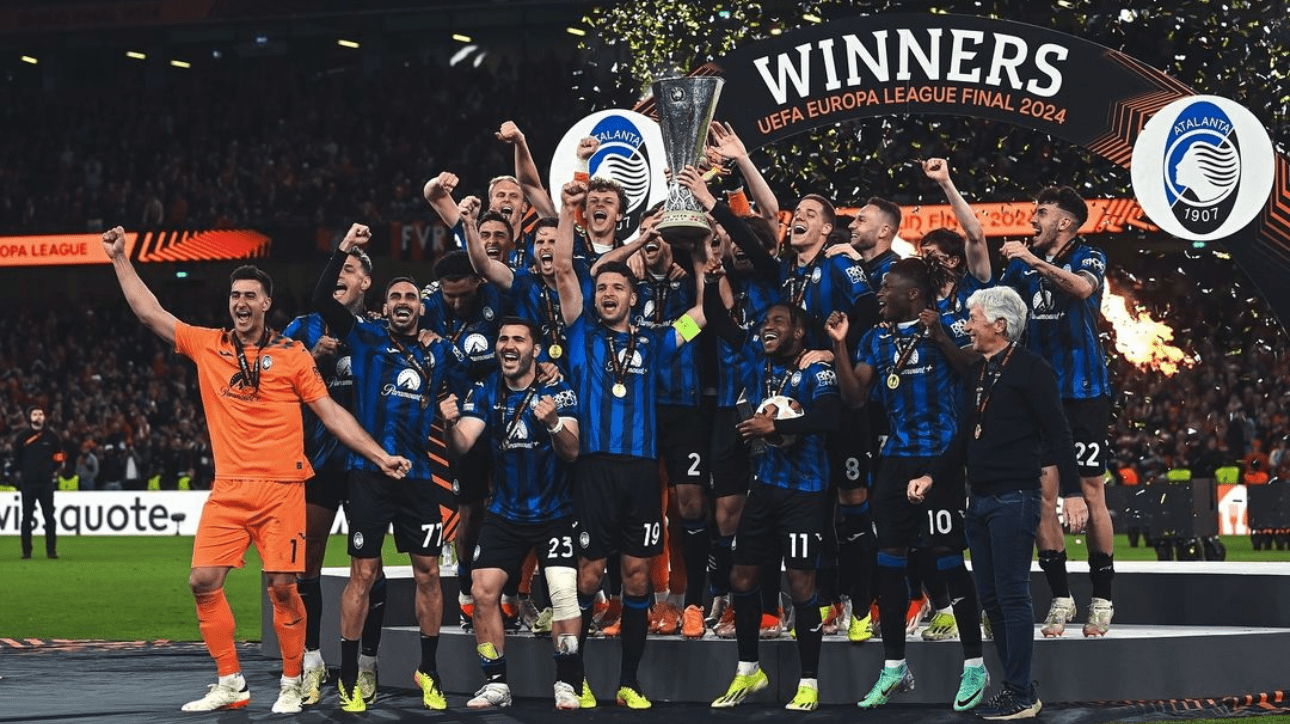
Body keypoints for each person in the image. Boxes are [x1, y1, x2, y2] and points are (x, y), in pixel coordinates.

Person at [100, 226, 412, 715]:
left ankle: (292, 681)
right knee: (202, 580)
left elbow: (331, 413)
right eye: (235, 295)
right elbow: (150, 313)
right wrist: (120, 258)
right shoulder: (208, 345)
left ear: (267, 304)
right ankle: (230, 681)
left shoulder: (292, 355)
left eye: (250, 296)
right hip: (228, 489)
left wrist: (378, 455)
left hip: (282, 488)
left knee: (284, 588)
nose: (241, 303)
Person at [552, 179, 708, 709]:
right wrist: (572, 211)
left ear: (632, 297)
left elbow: (701, 316)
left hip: (641, 470)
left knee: (638, 577)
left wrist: (705, 265)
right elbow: (563, 268)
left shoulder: (656, 339)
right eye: (602, 288)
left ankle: (628, 682)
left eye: (617, 288)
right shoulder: (582, 335)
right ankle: (572, 678)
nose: (607, 294)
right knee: (590, 574)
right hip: (594, 468)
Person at [908, 286, 1088, 720]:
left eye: (973, 318)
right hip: (980, 498)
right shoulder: (978, 371)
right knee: (991, 598)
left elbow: (1059, 432)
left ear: (1000, 325)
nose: (967, 325)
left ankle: (1020, 692)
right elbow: (964, 435)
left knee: (1011, 595)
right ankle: (1017, 689)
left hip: (1015, 496)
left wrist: (1073, 492)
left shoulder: (1032, 370)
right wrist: (933, 475)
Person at [310, 224, 469, 712]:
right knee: (362, 572)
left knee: (427, 572)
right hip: (368, 474)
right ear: (385, 305)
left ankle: (429, 669)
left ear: (420, 307)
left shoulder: (439, 349)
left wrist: (459, 405)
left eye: (410, 297)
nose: (403, 302)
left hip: (419, 478)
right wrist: (343, 248)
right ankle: (349, 674)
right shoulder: (365, 337)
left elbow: (482, 374)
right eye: (395, 296)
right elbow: (321, 300)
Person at [828, 259, 985, 712]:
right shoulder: (876, 338)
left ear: (912, 293)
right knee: (889, 562)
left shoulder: (949, 324)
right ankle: (894, 667)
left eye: (886, 287)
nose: (879, 294)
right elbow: (855, 397)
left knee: (949, 559)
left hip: (941, 460)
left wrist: (939, 337)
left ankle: (974, 665)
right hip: (896, 461)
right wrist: (839, 346)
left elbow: (973, 370)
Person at [703, 277, 839, 712]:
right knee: (742, 578)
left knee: (801, 585)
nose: (767, 327)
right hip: (763, 488)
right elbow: (719, 322)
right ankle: (748, 669)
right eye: (764, 322)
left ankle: (809, 682)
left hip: (805, 493)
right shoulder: (757, 361)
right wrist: (711, 277)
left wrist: (774, 426)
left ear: (798, 332)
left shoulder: (817, 370)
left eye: (778, 321)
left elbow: (830, 417)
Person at [440, 318, 585, 709]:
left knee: (563, 592)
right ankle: (496, 684)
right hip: (506, 512)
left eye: (518, 339)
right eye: (503, 338)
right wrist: (450, 425)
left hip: (554, 511)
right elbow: (462, 444)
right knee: (482, 590)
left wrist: (553, 423)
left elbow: (572, 451)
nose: (508, 345)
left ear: (535, 350)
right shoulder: (485, 389)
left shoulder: (558, 390)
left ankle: (567, 682)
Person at [997, 186, 1116, 637]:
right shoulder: (1019, 266)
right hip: (1038, 396)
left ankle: (1102, 598)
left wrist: (1032, 261)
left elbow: (1082, 288)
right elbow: (995, 303)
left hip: (1084, 393)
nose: (1034, 218)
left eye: (1042, 212)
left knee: (1090, 492)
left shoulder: (1089, 255)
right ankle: (1061, 597)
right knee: (1042, 496)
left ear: (1065, 222)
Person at [283, 242, 387, 706]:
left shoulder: (377, 330)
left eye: (349, 269)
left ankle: (367, 664)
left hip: (364, 463)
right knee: (307, 563)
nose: (341, 276)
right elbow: (273, 384)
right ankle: (312, 661)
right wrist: (311, 357)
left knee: (369, 567)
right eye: (336, 269)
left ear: (366, 281)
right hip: (318, 461)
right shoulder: (301, 328)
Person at [16, 405, 63, 559]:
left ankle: (51, 551)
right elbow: (17, 459)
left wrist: (50, 470)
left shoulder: (52, 437)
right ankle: (26, 552)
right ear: (29, 417)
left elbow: (59, 457)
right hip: (28, 483)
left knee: (49, 517)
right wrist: (25, 473)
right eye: (35, 414)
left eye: (41, 414)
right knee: (26, 518)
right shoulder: (22, 437)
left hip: (46, 483)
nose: (38, 416)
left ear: (44, 417)